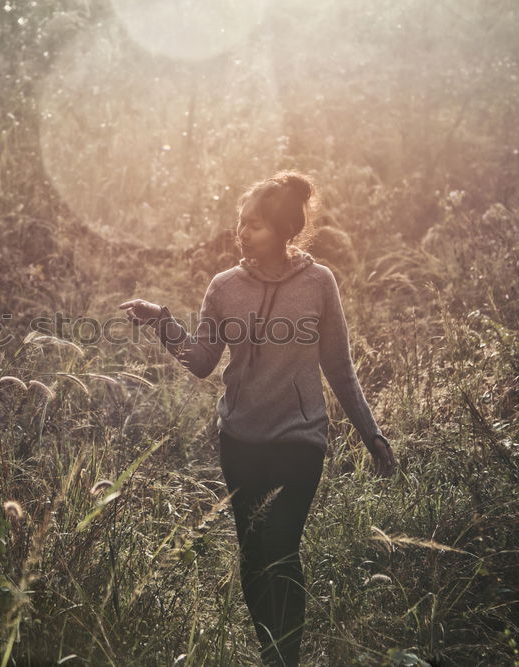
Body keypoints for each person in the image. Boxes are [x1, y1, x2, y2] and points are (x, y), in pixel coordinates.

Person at [119, 170, 396, 667]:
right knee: (253, 552)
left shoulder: (319, 283)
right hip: (240, 440)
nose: (243, 233)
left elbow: (338, 365)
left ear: (285, 230)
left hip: (300, 438)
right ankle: (273, 656)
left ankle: (284, 660)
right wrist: (163, 319)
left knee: (281, 546)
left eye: (257, 225)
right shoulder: (224, 287)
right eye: (241, 223)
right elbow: (203, 362)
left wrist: (370, 431)